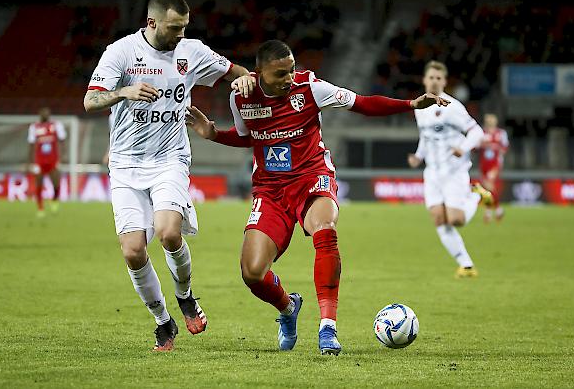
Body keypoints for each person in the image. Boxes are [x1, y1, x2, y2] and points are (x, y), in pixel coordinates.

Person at [185, 40, 447, 355]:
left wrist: (409, 105)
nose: (289, 78)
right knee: (252, 272)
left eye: (292, 69)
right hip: (271, 189)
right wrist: (214, 135)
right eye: (280, 73)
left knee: (325, 228)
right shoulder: (240, 98)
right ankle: (287, 307)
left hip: (312, 177)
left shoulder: (310, 87)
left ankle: (328, 328)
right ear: (261, 73)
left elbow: (362, 103)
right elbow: (249, 137)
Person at [83, 0, 255, 352]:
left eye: (184, 28)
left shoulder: (191, 52)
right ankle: (163, 321)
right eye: (174, 28)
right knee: (132, 250)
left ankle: (186, 296)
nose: (180, 35)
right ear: (151, 22)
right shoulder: (121, 52)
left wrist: (242, 79)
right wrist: (123, 92)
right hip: (126, 164)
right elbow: (90, 100)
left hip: (169, 159)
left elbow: (233, 70)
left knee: (168, 233)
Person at [407, 60, 493, 279]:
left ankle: (476, 195)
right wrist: (418, 156)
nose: (434, 81)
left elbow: (477, 133)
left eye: (439, 78)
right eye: (431, 77)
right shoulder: (420, 108)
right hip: (433, 172)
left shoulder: (453, 107)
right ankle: (466, 265)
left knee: (457, 220)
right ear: (425, 80)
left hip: (454, 170)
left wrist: (462, 148)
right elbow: (426, 137)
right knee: (438, 219)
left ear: (444, 81)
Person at [27, 106, 66, 218]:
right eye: (43, 113)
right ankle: (40, 208)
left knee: (56, 184)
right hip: (39, 161)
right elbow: (31, 145)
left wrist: (62, 157)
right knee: (39, 185)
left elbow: (62, 142)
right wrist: (30, 163)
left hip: (53, 160)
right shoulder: (34, 127)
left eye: (47, 113)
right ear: (40, 114)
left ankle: (54, 201)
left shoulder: (56, 125)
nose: (45, 115)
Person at [479, 113, 509, 222]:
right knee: (487, 188)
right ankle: (497, 209)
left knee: (489, 186)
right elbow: (476, 145)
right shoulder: (481, 132)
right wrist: (485, 144)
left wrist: (496, 147)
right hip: (484, 164)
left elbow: (505, 148)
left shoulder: (501, 133)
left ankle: (489, 212)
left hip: (495, 163)